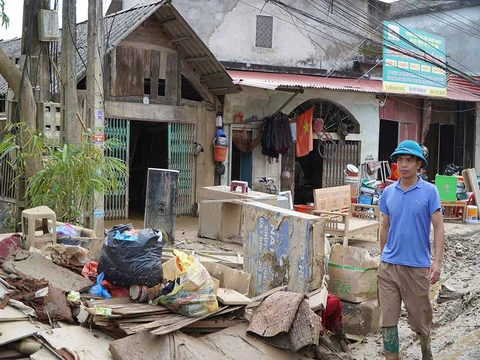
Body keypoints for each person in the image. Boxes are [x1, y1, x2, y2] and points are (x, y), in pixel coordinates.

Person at [378, 140, 444, 360]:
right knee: (387, 320)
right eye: (400, 160)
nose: (403, 165)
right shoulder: (388, 193)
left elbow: (439, 226)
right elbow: (385, 226)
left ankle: (426, 352)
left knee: (420, 321)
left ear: (419, 164)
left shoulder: (429, 191)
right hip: (388, 267)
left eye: (408, 160)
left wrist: (436, 262)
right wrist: (382, 256)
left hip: (417, 268)